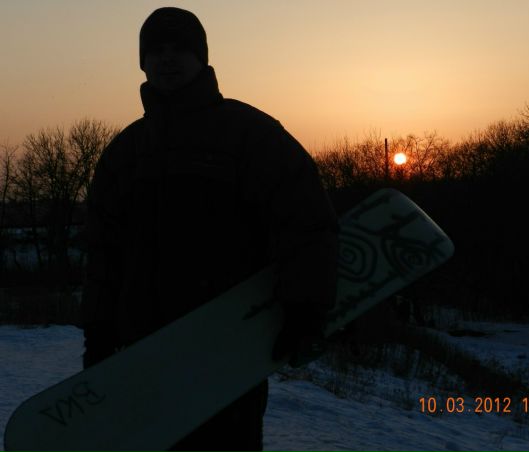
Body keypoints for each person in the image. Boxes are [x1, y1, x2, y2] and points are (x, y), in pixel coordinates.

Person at [81, 7, 338, 452]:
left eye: (179, 48)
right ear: (142, 62)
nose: (167, 58)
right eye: (156, 50)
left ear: (202, 57)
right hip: (144, 353)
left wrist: (305, 309)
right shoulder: (125, 153)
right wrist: (99, 334)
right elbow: (103, 252)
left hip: (230, 352)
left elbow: (306, 223)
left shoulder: (251, 135)